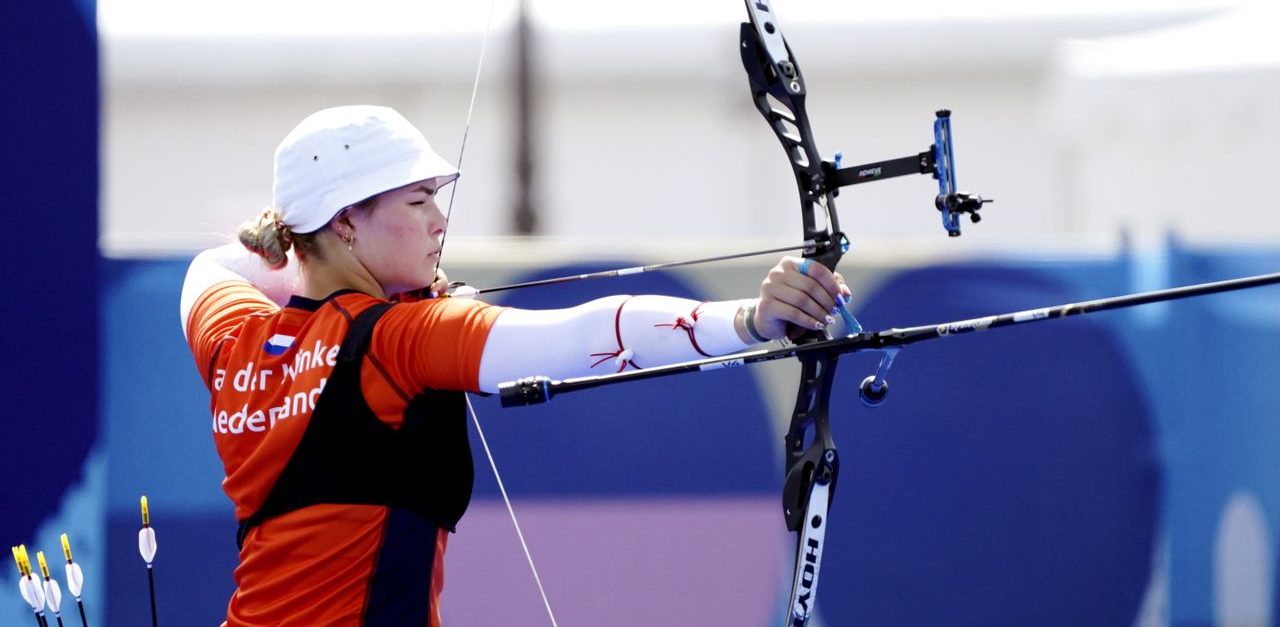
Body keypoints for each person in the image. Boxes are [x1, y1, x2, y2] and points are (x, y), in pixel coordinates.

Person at [180, 105, 850, 626]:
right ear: (346, 220)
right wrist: (752, 320)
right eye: (417, 200)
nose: (439, 221)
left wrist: (312, 250)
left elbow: (210, 267)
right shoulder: (397, 341)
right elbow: (588, 333)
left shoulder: (235, 340)